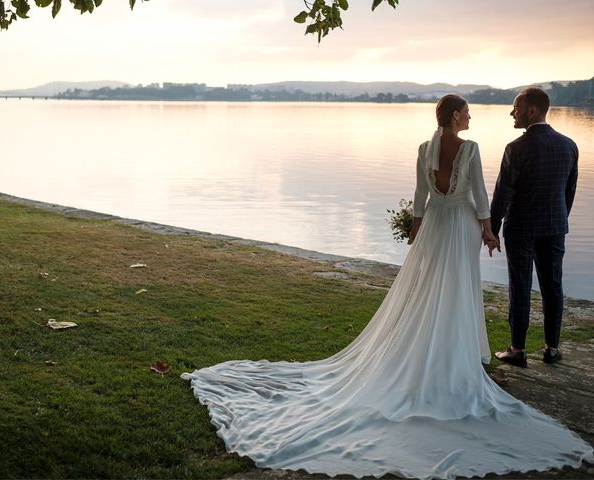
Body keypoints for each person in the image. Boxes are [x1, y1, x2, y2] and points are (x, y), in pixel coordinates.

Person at [181, 95, 593, 479]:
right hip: (470, 226)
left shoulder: (423, 149)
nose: (472, 118)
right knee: (466, 289)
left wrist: (416, 231)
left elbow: (420, 197)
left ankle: (460, 347)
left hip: (435, 225)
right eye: (467, 113)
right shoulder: (478, 148)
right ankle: (481, 350)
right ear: (454, 116)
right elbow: (484, 196)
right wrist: (487, 229)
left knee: (428, 288)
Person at [491, 87, 578, 369]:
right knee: (553, 287)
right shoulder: (569, 145)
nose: (512, 112)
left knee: (521, 286)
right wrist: (558, 218)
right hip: (554, 226)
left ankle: (517, 350)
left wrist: (492, 228)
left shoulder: (515, 148)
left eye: (516, 107)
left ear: (531, 110)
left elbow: (503, 194)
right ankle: (552, 348)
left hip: (521, 228)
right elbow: (569, 192)